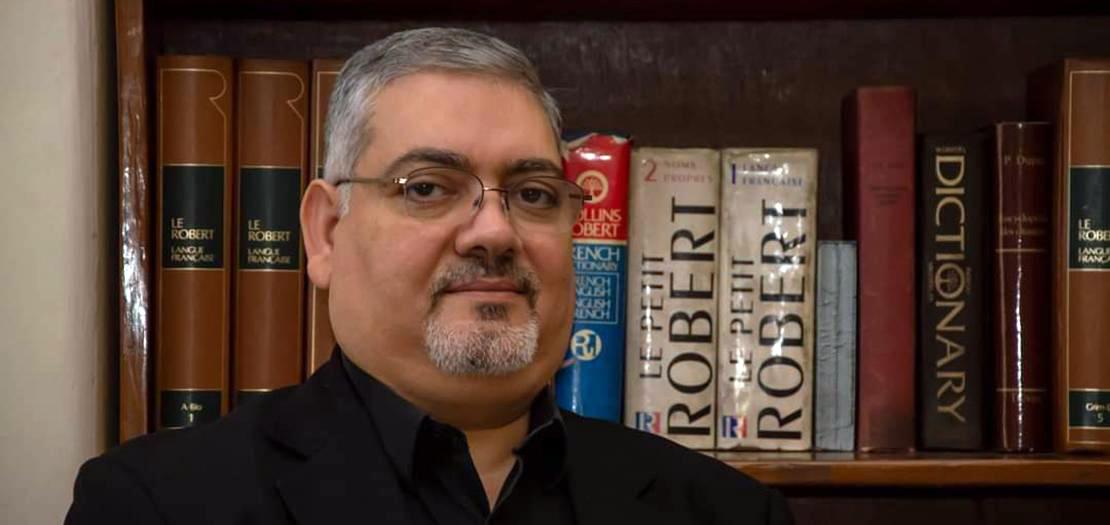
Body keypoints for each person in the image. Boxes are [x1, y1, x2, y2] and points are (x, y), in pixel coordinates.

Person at [66, 28, 793, 524]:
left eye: (534, 194)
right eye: (428, 187)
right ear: (325, 232)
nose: (495, 232)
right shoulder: (156, 505)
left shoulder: (726, 512)